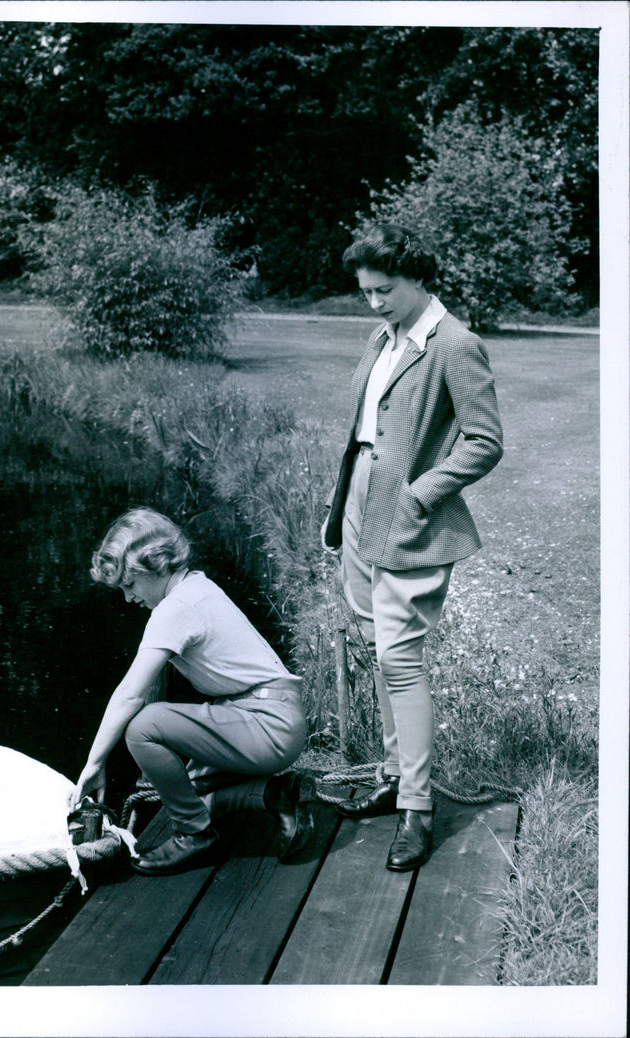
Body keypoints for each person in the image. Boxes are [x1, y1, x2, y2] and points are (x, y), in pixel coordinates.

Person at [323, 223, 503, 871]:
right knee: (378, 653)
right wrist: (348, 503)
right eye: (366, 292)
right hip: (359, 509)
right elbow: (369, 429)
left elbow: (484, 441)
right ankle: (397, 777)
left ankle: (418, 811)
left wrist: (425, 491)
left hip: (412, 518)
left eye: (384, 290)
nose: (374, 302)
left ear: (418, 277)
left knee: (400, 661)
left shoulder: (456, 344)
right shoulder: (383, 336)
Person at [70, 507, 315, 876]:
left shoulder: (176, 608)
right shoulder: (195, 586)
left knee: (143, 726)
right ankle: (275, 794)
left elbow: (130, 695)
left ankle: (194, 836)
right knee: (186, 791)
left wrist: (94, 763)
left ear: (154, 567)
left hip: (269, 725)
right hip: (270, 715)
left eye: (129, 585)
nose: (127, 598)